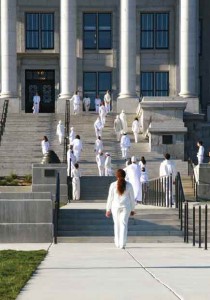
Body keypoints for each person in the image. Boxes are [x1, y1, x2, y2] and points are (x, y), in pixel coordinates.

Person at [106, 169, 135, 249]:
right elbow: (132, 198)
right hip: (126, 206)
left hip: (115, 206)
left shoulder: (113, 185)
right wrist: (133, 209)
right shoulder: (129, 185)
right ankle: (122, 243)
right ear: (125, 176)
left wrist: (108, 209)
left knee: (117, 224)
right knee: (123, 224)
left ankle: (117, 243)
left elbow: (110, 198)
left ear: (117, 176)